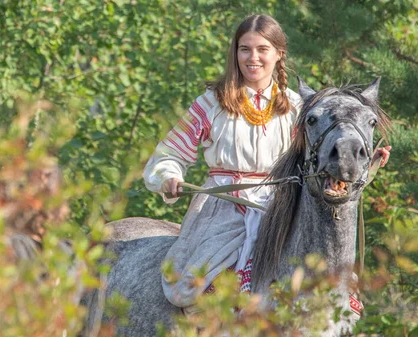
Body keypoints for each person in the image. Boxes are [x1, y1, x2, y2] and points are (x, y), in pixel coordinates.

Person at [143, 14, 390, 310]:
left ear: (278, 54)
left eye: (262, 49)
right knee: (199, 286)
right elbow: (169, 153)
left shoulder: (301, 107)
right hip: (223, 205)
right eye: (244, 49)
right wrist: (169, 176)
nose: (253, 58)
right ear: (235, 53)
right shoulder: (211, 103)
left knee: (328, 277)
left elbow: (320, 161)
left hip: (283, 206)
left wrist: (363, 163)